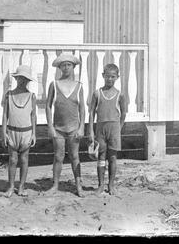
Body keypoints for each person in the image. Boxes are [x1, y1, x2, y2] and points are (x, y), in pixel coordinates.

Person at [45, 53, 87, 196]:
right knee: (58, 157)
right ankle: (55, 185)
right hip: (58, 129)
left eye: (69, 65)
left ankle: (79, 186)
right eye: (63, 65)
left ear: (73, 67)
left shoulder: (79, 86)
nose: (66, 67)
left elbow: (82, 108)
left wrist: (81, 127)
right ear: (59, 67)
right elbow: (48, 106)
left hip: (74, 128)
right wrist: (50, 126)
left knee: (75, 156)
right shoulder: (54, 84)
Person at [88, 63, 128, 195]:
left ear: (117, 77)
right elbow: (91, 113)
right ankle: (100, 185)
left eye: (112, 77)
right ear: (103, 76)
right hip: (101, 128)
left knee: (112, 157)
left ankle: (111, 185)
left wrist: (119, 128)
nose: (109, 79)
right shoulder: (97, 93)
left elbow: (123, 114)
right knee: (101, 156)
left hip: (114, 128)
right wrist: (91, 131)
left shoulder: (120, 95)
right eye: (107, 76)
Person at [1, 65, 39, 197]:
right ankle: (11, 186)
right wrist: (3, 132)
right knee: (12, 160)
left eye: (25, 79)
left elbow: (33, 116)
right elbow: (5, 115)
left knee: (24, 159)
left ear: (28, 81)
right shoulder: (9, 95)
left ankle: (21, 186)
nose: (22, 81)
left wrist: (34, 134)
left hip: (26, 132)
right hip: (12, 131)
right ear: (16, 79)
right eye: (20, 78)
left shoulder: (31, 96)